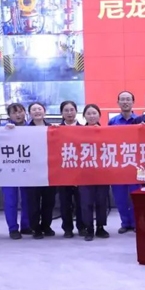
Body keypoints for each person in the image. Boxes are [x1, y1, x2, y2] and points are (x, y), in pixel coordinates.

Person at [79, 104, 111, 241]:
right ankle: (89, 229)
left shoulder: (107, 131)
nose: (92, 116)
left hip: (102, 173)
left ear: (99, 115)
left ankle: (100, 227)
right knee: (86, 202)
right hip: (84, 174)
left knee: (101, 201)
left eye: (94, 113)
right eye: (89, 113)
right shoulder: (77, 132)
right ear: (84, 116)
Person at [108, 91, 139, 234]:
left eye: (128, 99)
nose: (125, 102)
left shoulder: (139, 120)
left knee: (135, 196)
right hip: (118, 165)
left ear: (133, 102)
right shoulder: (112, 122)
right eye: (122, 100)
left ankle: (135, 223)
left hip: (135, 165)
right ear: (118, 103)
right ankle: (125, 223)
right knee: (120, 197)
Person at [26, 102, 57, 239]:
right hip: (31, 172)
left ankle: (46, 226)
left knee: (49, 202)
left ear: (44, 111)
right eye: (34, 109)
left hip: (49, 171)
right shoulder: (23, 130)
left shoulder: (52, 128)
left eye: (39, 109)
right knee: (33, 202)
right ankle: (35, 228)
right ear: (30, 113)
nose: (37, 111)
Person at [2, 103, 31, 239]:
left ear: (25, 112)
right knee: (10, 199)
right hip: (8, 169)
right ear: (9, 115)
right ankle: (13, 228)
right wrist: (5, 131)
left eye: (20, 111)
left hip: (27, 168)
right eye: (14, 113)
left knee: (27, 199)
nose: (18, 115)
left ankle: (26, 225)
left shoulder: (32, 129)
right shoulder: (3, 129)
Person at [58, 100, 85, 237]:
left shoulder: (84, 129)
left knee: (81, 202)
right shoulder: (55, 130)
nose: (69, 113)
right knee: (65, 202)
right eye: (66, 110)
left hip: (81, 172)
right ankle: (67, 228)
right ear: (61, 113)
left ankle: (82, 227)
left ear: (76, 111)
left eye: (72, 110)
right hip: (63, 172)